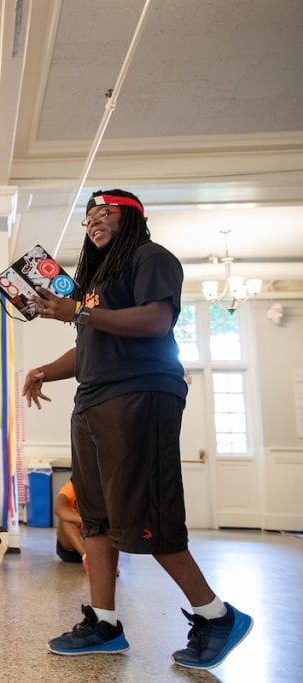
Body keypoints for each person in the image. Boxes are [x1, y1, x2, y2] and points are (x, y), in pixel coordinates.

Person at [23, 189, 252, 669]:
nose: (93, 220)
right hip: (94, 399)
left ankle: (217, 615)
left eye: (105, 211)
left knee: (147, 512)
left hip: (140, 394)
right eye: (88, 215)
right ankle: (104, 623)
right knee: (97, 518)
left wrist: (79, 313)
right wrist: (45, 369)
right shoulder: (93, 283)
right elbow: (88, 346)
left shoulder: (151, 257)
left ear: (132, 217)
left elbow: (155, 320)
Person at [54, 480, 87, 571]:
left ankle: (108, 562)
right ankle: (87, 558)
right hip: (69, 548)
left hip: (94, 545)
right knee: (65, 516)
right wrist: (84, 520)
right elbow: (58, 508)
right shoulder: (71, 487)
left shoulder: (101, 488)